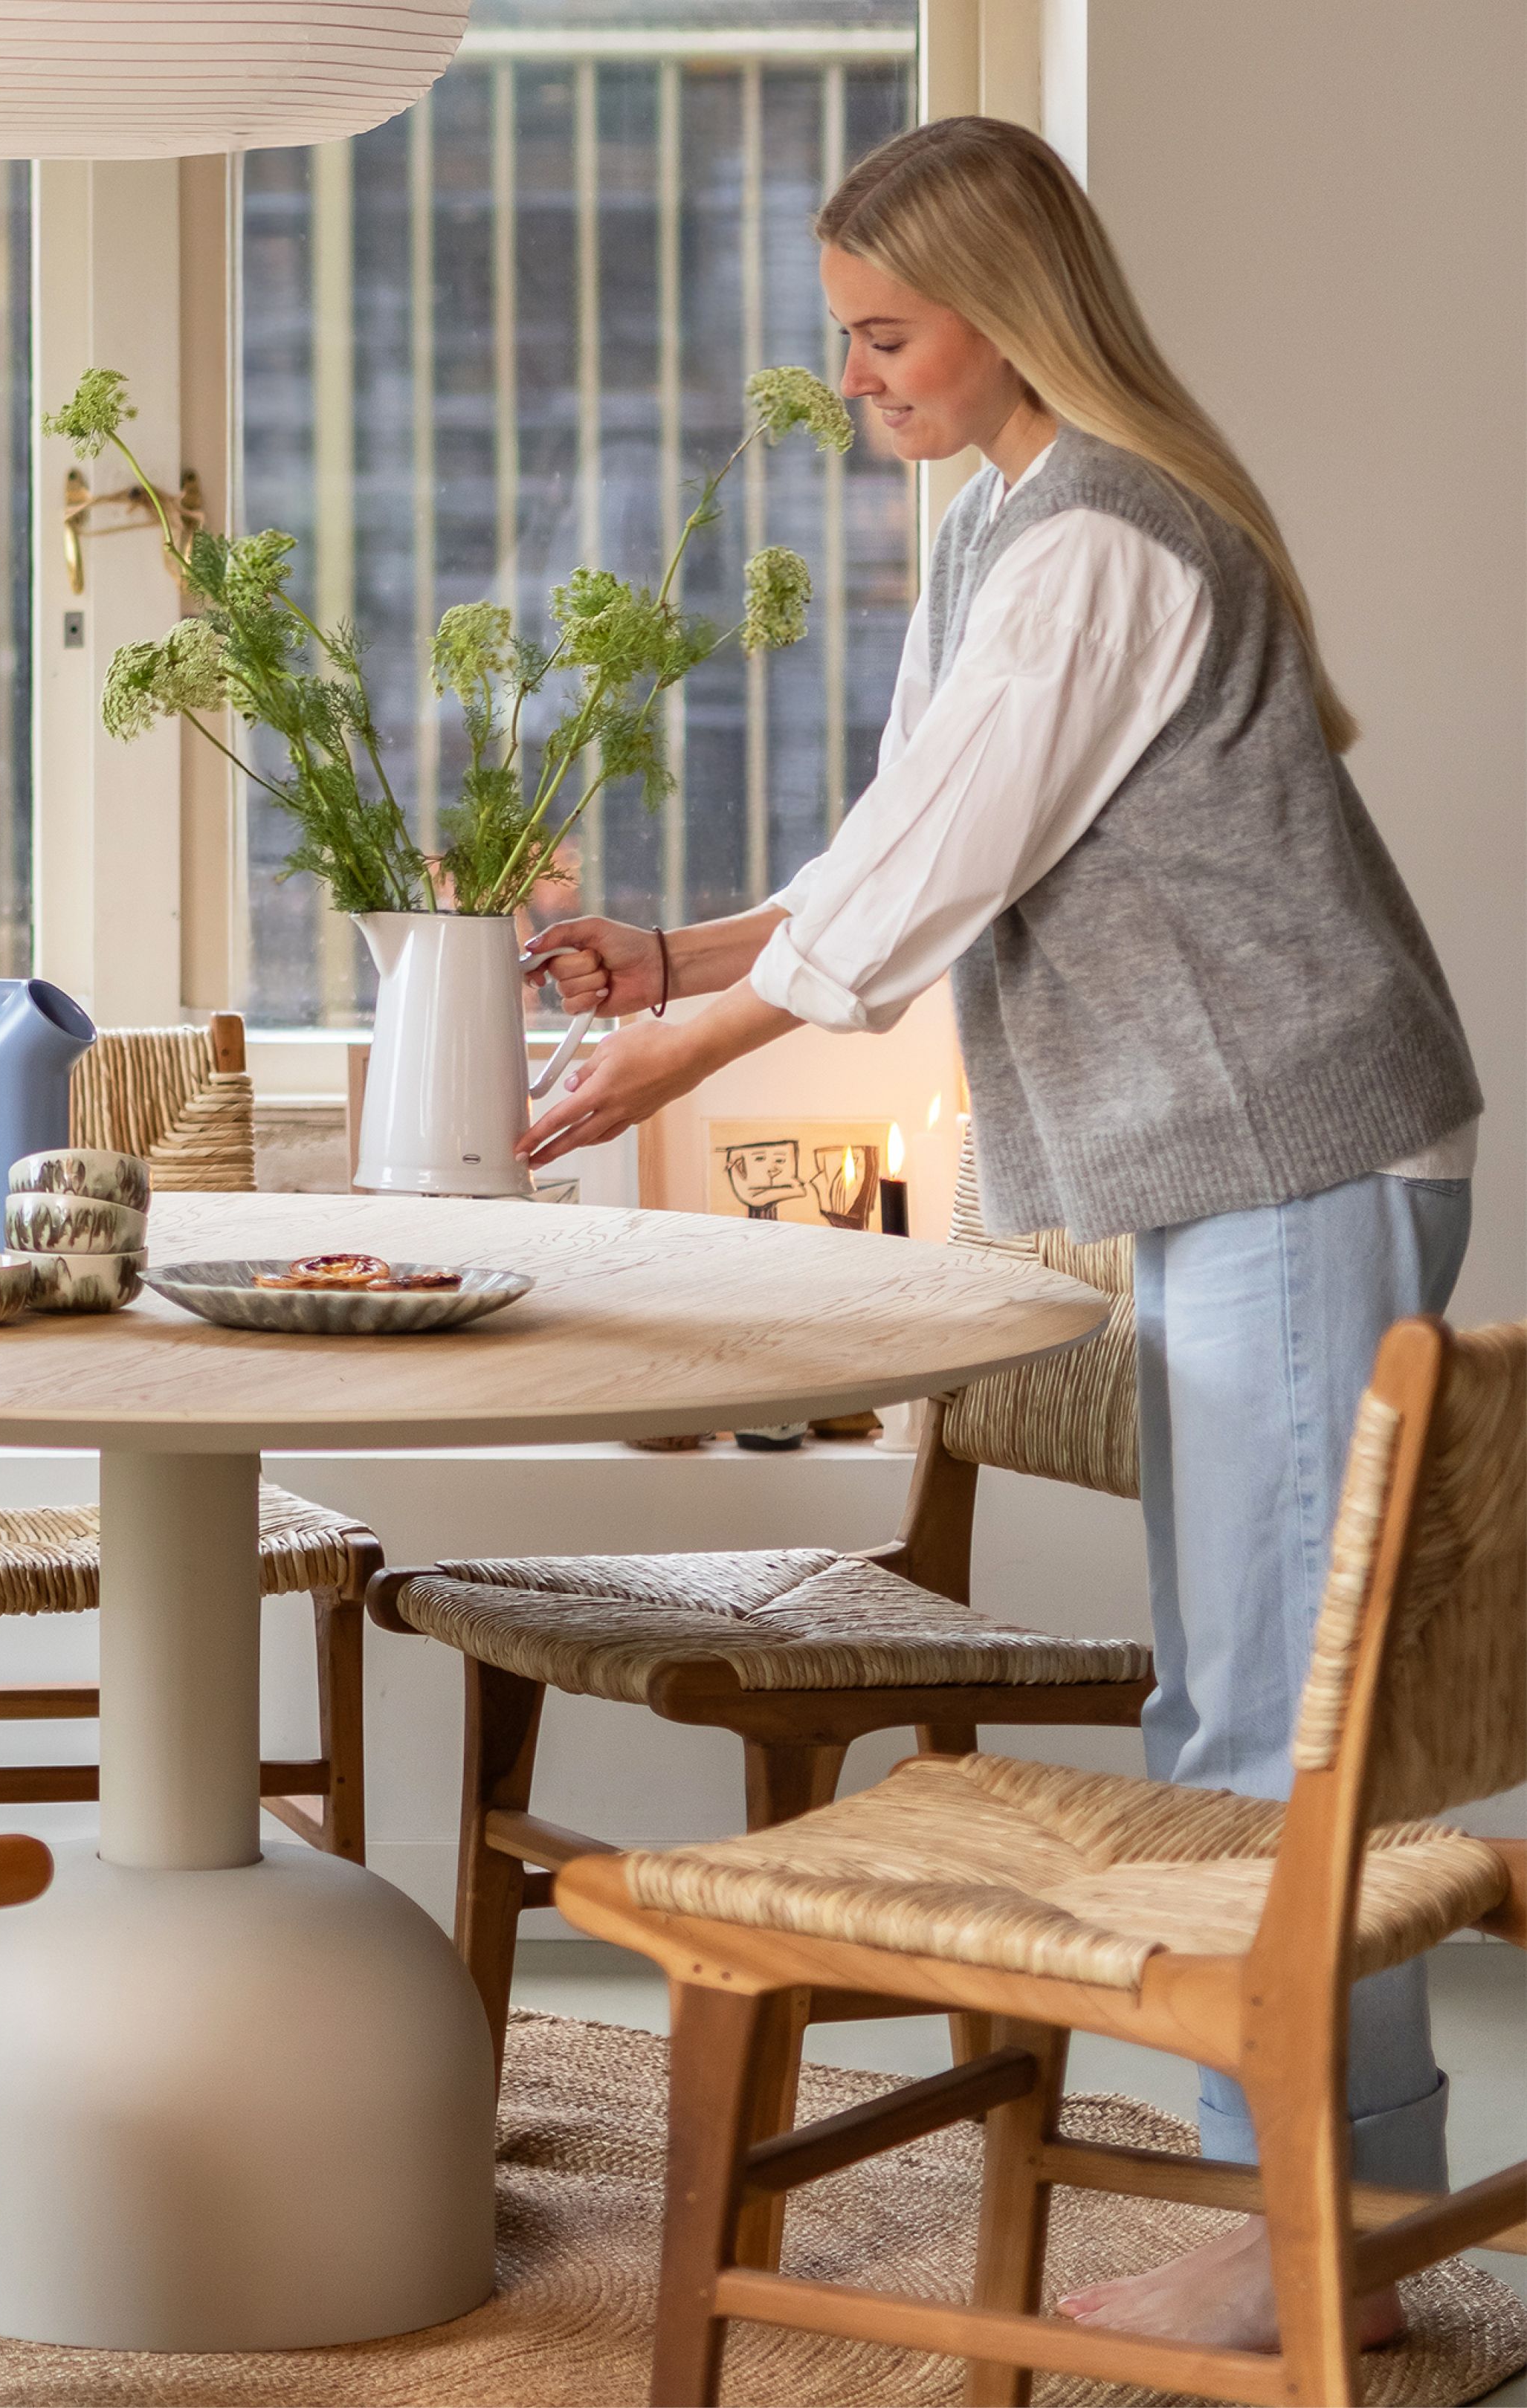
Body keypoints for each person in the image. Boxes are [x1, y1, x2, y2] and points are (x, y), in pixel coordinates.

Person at [517, 114, 1482, 2350]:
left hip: (1287, 1151)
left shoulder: (1096, 542)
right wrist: (682, 965)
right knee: (1264, 1704)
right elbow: (913, 839)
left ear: (1003, 311)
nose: (853, 380)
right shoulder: (1005, 532)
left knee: (1271, 1728)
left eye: (882, 336)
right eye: (838, 341)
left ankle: (1294, 2249)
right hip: (1238, 1161)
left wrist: (691, 1055)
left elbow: (933, 874)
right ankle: (1368, 2223)